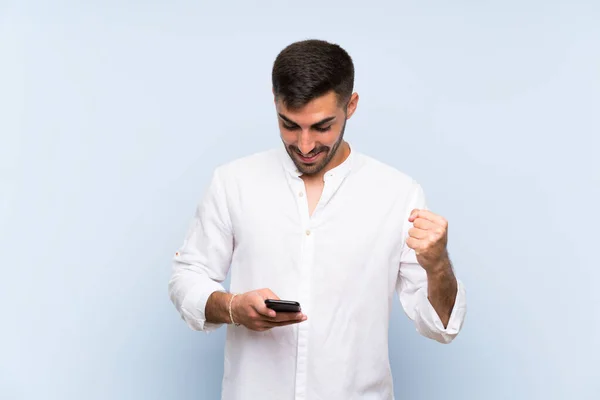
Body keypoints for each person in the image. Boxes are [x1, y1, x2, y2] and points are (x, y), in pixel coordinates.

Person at [168, 39, 467, 400]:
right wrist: (232, 308)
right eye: (289, 125)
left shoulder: (398, 194)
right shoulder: (233, 182)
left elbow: (440, 327)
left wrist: (437, 266)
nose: (305, 145)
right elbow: (187, 276)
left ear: (351, 106)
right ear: (275, 102)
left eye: (322, 127)